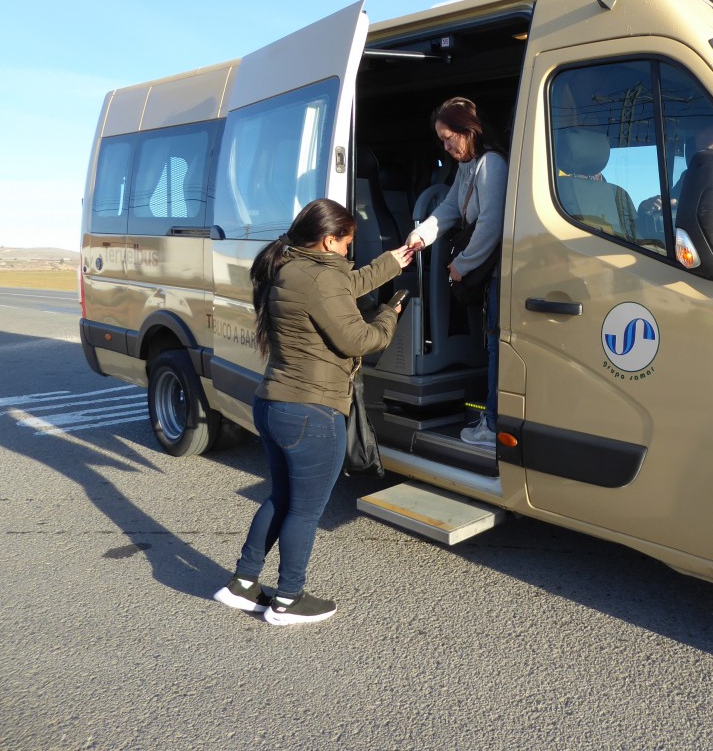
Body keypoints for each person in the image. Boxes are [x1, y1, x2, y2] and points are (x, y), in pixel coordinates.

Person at [214, 198, 414, 625]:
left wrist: (391, 262)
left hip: (275, 405)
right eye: (346, 244)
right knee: (304, 511)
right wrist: (387, 315)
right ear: (328, 241)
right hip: (310, 412)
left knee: (282, 499)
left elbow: (341, 289)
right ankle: (287, 600)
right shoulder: (320, 278)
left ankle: (243, 583)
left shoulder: (291, 267)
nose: (348, 252)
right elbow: (358, 339)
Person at [406, 97, 507, 449]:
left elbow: (491, 223)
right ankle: (492, 419)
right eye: (442, 140)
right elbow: (450, 207)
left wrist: (460, 265)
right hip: (485, 269)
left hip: (495, 272)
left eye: (449, 138)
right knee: (492, 343)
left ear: (469, 131)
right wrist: (422, 235)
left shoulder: (491, 164)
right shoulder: (469, 166)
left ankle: (493, 425)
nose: (446, 147)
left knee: (496, 346)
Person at [637, 117, 713, 236]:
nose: (701, 158)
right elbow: (672, 203)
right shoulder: (690, 176)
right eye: (698, 151)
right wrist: (649, 206)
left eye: (708, 151)